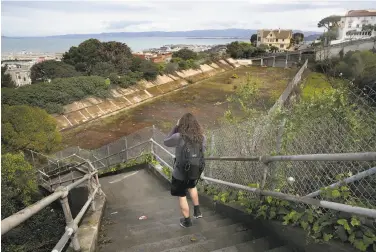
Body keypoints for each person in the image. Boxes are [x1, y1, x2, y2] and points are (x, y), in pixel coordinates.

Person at [164, 113, 206, 228]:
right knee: (192, 187)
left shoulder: (178, 136)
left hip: (180, 173)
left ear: (182, 124)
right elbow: (203, 150)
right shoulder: (201, 137)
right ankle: (197, 210)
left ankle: (187, 221)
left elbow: (166, 141)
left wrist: (175, 127)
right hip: (194, 171)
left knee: (182, 195)